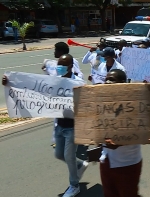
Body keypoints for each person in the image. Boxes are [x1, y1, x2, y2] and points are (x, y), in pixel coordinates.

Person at [3, 54, 89, 197]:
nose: (59, 68)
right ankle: (79, 165)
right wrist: (10, 83)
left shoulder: (79, 83)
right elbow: (34, 88)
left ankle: (74, 186)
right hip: (59, 126)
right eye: (58, 65)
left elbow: (86, 104)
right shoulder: (55, 81)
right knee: (59, 154)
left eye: (62, 65)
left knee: (68, 156)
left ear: (70, 66)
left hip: (73, 127)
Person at [99, 69, 142, 197]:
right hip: (106, 160)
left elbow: (142, 131)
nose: (107, 82)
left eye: (111, 79)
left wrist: (121, 141)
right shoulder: (101, 102)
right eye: (106, 79)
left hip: (127, 163)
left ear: (122, 82)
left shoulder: (134, 105)